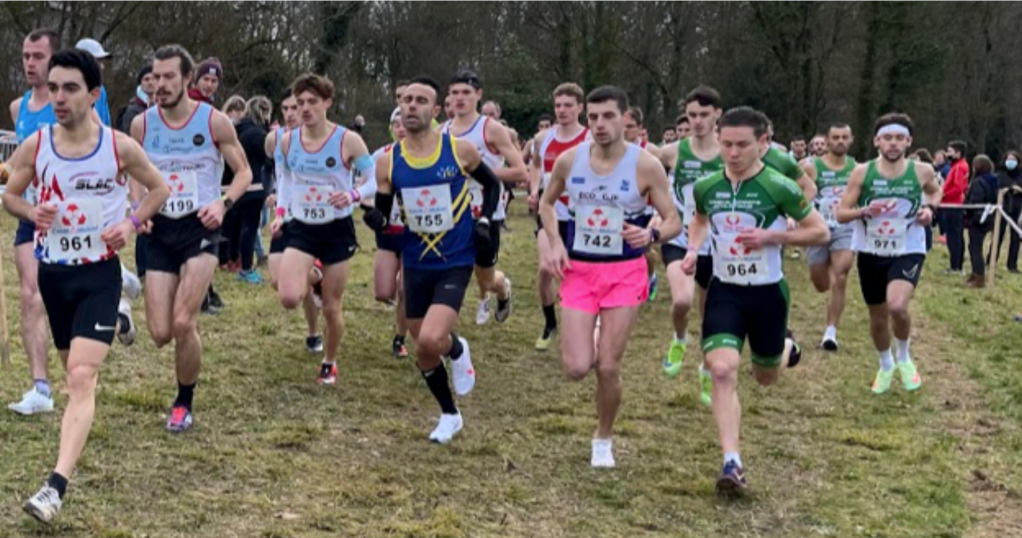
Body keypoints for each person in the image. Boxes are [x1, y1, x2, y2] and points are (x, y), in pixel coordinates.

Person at [3, 48, 170, 524]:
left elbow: (159, 188)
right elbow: (12, 195)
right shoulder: (36, 146)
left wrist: (132, 222)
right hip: (54, 274)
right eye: (53, 88)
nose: (58, 97)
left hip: (99, 272)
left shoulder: (118, 146)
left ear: (94, 94)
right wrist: (31, 212)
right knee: (71, 372)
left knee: (80, 378)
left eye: (70, 88)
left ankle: (55, 486)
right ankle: (119, 312)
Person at [684, 106, 827, 495]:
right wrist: (694, 249)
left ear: (763, 143)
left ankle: (786, 348)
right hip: (725, 290)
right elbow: (700, 219)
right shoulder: (707, 186)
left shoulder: (779, 186)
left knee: (765, 376)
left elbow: (820, 232)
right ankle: (733, 462)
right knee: (722, 369)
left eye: (742, 145)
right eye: (725, 144)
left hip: (767, 293)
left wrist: (773, 238)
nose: (732, 153)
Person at [540, 86, 680, 467]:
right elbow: (546, 204)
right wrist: (554, 243)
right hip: (580, 271)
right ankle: (595, 330)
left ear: (625, 119)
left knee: (608, 367)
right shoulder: (569, 161)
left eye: (608, 117)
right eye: (593, 118)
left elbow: (673, 221)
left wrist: (651, 234)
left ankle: (603, 436)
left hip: (624, 272)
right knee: (575, 368)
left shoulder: (645, 165)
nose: (599, 125)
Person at [363, 76, 500, 443]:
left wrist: (484, 219)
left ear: (436, 110)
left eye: (420, 100)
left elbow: (493, 185)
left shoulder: (458, 151)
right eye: (406, 99)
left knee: (427, 341)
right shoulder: (389, 162)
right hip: (416, 261)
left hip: (455, 257)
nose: (411, 106)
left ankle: (453, 351)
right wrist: (376, 220)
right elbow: (384, 215)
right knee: (425, 344)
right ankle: (450, 411)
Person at [130, 44, 253, 432]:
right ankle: (129, 287)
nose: (160, 85)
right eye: (155, 77)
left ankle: (184, 402)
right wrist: (139, 212)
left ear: (187, 79)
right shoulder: (142, 125)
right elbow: (135, 173)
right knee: (161, 333)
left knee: (184, 323)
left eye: (169, 77)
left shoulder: (214, 122)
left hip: (201, 226)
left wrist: (223, 203)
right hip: (160, 228)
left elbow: (245, 173)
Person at [275, 73, 375, 385]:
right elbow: (286, 179)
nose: (304, 109)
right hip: (302, 225)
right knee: (289, 296)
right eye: (299, 102)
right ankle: (313, 280)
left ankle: (329, 361)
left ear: (327, 103)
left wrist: (353, 194)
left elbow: (373, 180)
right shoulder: (288, 141)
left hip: (337, 227)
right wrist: (281, 212)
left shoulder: (348, 140)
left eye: (312, 102)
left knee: (332, 307)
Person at [835, 112, 941, 396]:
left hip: (908, 248)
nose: (893, 144)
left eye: (899, 138)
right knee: (878, 315)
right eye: (887, 138)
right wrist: (863, 211)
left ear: (909, 141)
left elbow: (934, 192)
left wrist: (929, 209)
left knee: (897, 306)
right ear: (876, 141)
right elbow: (841, 213)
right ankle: (885, 364)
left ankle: (904, 358)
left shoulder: (922, 171)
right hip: (871, 250)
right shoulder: (862, 172)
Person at [442, 71, 526, 326]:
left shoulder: (491, 129)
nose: (459, 98)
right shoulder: (442, 131)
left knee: (486, 279)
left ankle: (503, 290)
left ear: (478, 95)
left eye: (466, 93)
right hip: (452, 213)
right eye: (454, 93)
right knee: (447, 271)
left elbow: (521, 172)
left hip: (486, 213)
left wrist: (478, 172)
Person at [6, 29, 60, 416]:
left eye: (38, 56)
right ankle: (40, 387)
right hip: (30, 213)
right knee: (30, 293)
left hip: (70, 216)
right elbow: (19, 167)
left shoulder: (72, 107)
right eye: (26, 55)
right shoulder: (17, 108)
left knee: (65, 292)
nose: (29, 63)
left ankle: (120, 287)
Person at [657, 85, 722, 406]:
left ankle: (707, 370)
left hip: (718, 246)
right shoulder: (673, 152)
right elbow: (642, 168)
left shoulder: (730, 151)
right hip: (679, 239)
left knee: (711, 316)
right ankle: (680, 339)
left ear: (717, 116)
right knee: (682, 301)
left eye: (703, 115)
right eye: (692, 115)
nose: (697, 121)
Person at [528, 82, 589, 350]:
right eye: (557, 105)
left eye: (567, 105)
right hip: (550, 212)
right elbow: (536, 165)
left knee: (575, 274)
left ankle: (581, 326)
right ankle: (549, 323)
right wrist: (533, 190)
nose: (562, 110)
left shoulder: (589, 139)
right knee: (545, 269)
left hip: (581, 217)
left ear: (580, 108)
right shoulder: (543, 139)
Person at [265, 89, 324, 354]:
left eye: (295, 108)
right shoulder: (276, 139)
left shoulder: (324, 139)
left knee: (299, 286)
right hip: (284, 218)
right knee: (280, 283)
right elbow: (278, 174)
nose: (290, 114)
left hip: (313, 222)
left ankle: (314, 333)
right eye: (286, 108)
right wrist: (274, 197)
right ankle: (315, 281)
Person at [801, 123, 857, 350]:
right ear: (827, 140)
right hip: (818, 227)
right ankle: (825, 277)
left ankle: (830, 331)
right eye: (836, 137)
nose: (840, 141)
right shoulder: (812, 167)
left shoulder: (857, 169)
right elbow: (795, 189)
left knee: (841, 275)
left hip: (845, 227)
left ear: (851, 140)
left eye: (845, 137)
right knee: (820, 282)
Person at [365, 108, 409, 358]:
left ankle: (400, 338)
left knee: (405, 290)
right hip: (387, 230)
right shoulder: (380, 156)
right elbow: (365, 186)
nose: (400, 128)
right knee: (383, 293)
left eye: (404, 123)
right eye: (396, 124)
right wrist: (368, 208)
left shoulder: (424, 153)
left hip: (415, 233)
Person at [229, 96, 272, 284]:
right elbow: (268, 160)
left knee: (240, 228)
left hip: (236, 186)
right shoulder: (258, 135)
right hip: (253, 186)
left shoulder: (237, 131)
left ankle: (236, 260)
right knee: (250, 227)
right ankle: (246, 269)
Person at [622, 105, 663, 302]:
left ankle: (651, 276)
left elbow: (662, 181)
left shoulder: (652, 151)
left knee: (645, 249)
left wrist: (658, 210)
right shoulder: (615, 149)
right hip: (626, 207)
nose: (625, 131)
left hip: (648, 207)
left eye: (630, 126)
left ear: (640, 128)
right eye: (623, 126)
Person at [964, 155, 998, 288]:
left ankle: (979, 276)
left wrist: (968, 211)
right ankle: (975, 273)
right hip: (989, 217)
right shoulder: (994, 180)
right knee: (975, 246)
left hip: (978, 218)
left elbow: (975, 201)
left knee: (975, 248)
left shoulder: (978, 182)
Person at [943, 140, 969, 274]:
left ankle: (955, 266)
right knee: (957, 235)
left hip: (952, 204)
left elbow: (958, 188)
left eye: (950, 151)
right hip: (955, 203)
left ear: (958, 153)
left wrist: (942, 194)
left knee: (954, 236)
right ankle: (957, 264)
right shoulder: (960, 166)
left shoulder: (959, 167)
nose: (947, 154)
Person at [72, 38, 112, 126]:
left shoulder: (100, 89)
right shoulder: (66, 89)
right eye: (98, 61)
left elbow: (105, 123)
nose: (102, 67)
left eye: (101, 61)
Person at [995, 151, 1022, 273]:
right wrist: (1010, 188)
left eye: (1013, 159)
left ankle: (1012, 264)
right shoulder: (1000, 174)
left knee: (1015, 237)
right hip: (1003, 207)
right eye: (1008, 159)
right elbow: (1000, 187)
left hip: (1017, 208)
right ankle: (992, 260)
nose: (1010, 161)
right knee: (998, 234)